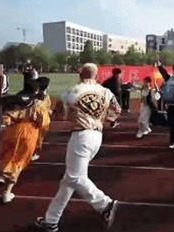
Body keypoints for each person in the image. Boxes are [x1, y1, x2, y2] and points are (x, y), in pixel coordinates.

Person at [34, 63, 120, 231]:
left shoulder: (71, 91)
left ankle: (105, 204)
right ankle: (51, 220)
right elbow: (116, 110)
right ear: (96, 75)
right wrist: (104, 118)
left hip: (81, 136)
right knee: (68, 180)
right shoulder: (106, 92)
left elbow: (60, 115)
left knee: (74, 177)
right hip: (97, 136)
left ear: (80, 74)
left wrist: (50, 112)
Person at [0, 78, 52, 204]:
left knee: (9, 155)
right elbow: (44, 123)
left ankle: (2, 176)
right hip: (29, 132)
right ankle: (7, 192)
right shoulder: (38, 104)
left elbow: (7, 117)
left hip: (12, 131)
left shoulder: (16, 100)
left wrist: (9, 123)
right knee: (19, 161)